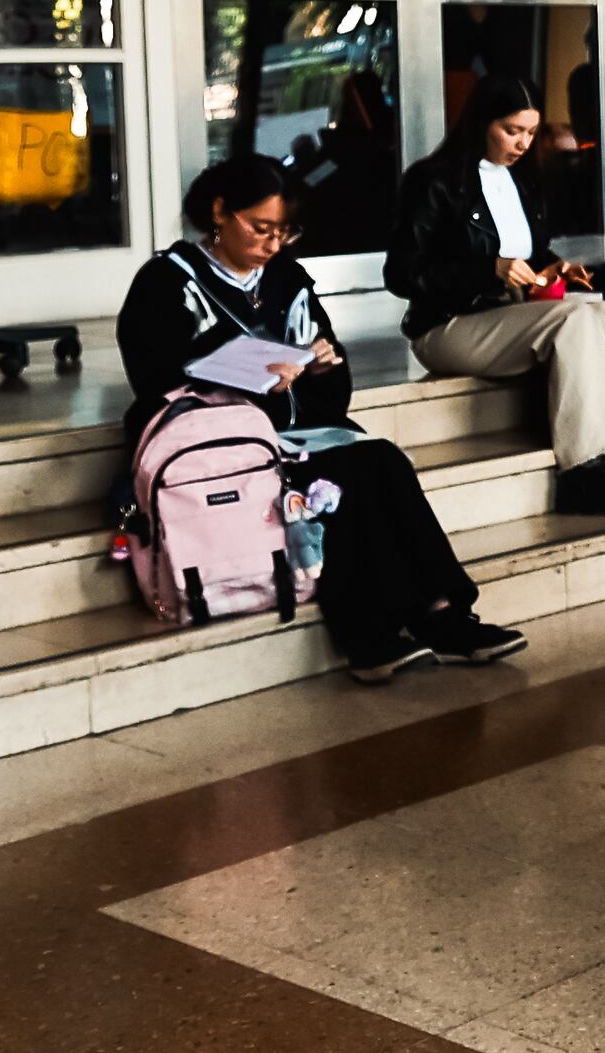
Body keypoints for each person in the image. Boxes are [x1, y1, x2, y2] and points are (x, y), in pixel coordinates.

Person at [120, 155, 528, 681]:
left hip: (296, 428)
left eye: (283, 232)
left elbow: (336, 389)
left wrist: (318, 368)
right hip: (225, 443)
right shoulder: (167, 281)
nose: (272, 244)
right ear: (219, 212)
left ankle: (444, 613)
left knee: (381, 460)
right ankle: (370, 634)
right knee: (341, 478)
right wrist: (247, 377)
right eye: (260, 228)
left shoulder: (287, 278)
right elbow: (153, 380)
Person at [388, 72, 605, 513]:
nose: (523, 143)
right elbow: (402, 274)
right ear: (480, 123)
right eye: (511, 130)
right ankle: (586, 467)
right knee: (576, 319)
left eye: (530, 131)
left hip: (514, 318)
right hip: (448, 327)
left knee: (598, 312)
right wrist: (487, 270)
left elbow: (530, 250)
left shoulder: (522, 181)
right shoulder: (433, 180)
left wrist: (554, 266)